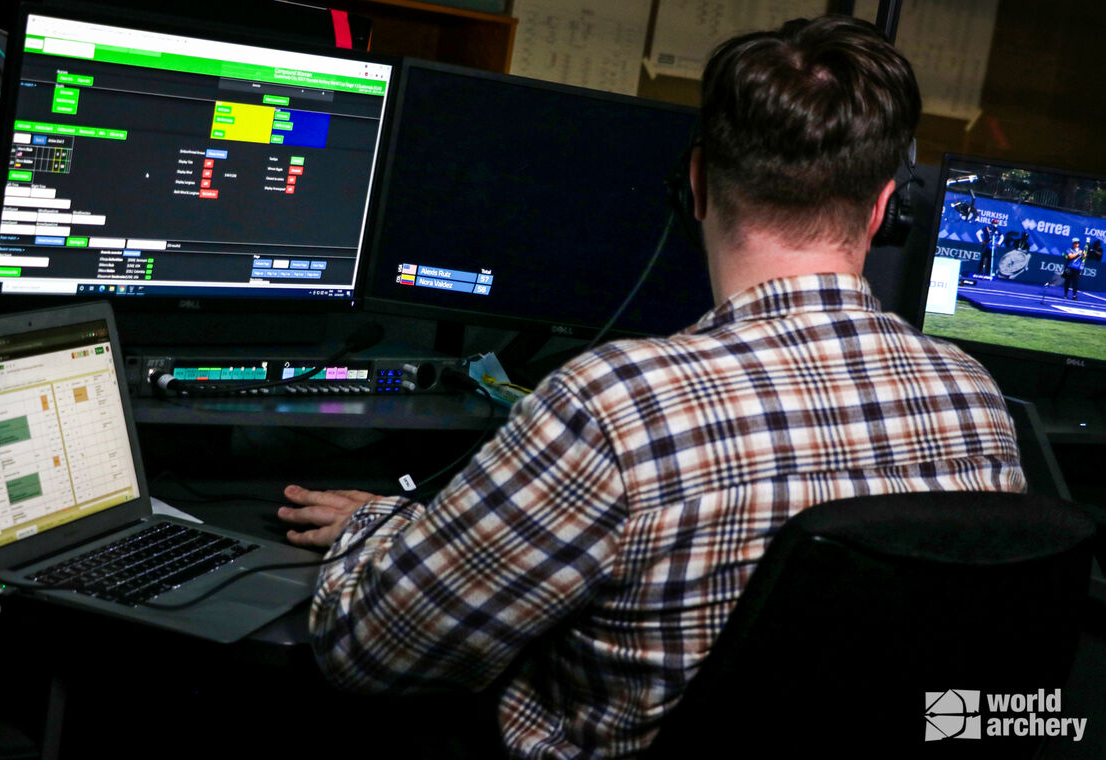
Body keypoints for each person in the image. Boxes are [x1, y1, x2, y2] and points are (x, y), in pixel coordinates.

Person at [279, 16, 1025, 759]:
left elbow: (369, 653)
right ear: (886, 209)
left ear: (694, 185)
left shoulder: (616, 403)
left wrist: (375, 526)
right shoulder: (975, 399)